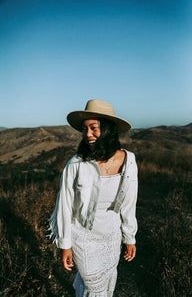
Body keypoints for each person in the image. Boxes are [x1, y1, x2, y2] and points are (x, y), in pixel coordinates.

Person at [48, 99, 138, 296]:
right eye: (84, 129)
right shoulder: (76, 164)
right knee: (94, 287)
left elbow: (129, 204)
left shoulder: (129, 161)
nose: (87, 134)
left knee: (106, 283)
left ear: (107, 129)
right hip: (83, 237)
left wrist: (129, 237)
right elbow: (64, 205)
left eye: (93, 128)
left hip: (111, 236)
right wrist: (65, 245)